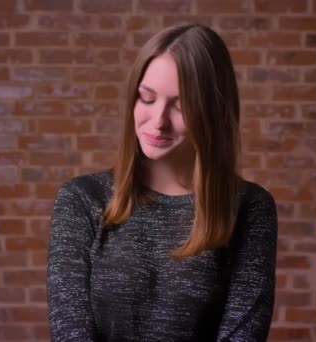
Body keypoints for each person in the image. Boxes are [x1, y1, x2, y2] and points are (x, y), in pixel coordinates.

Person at [46, 24, 278, 342]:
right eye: (147, 98)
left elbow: (244, 335)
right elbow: (70, 332)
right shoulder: (82, 198)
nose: (158, 121)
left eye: (181, 106)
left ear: (212, 112)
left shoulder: (250, 207)